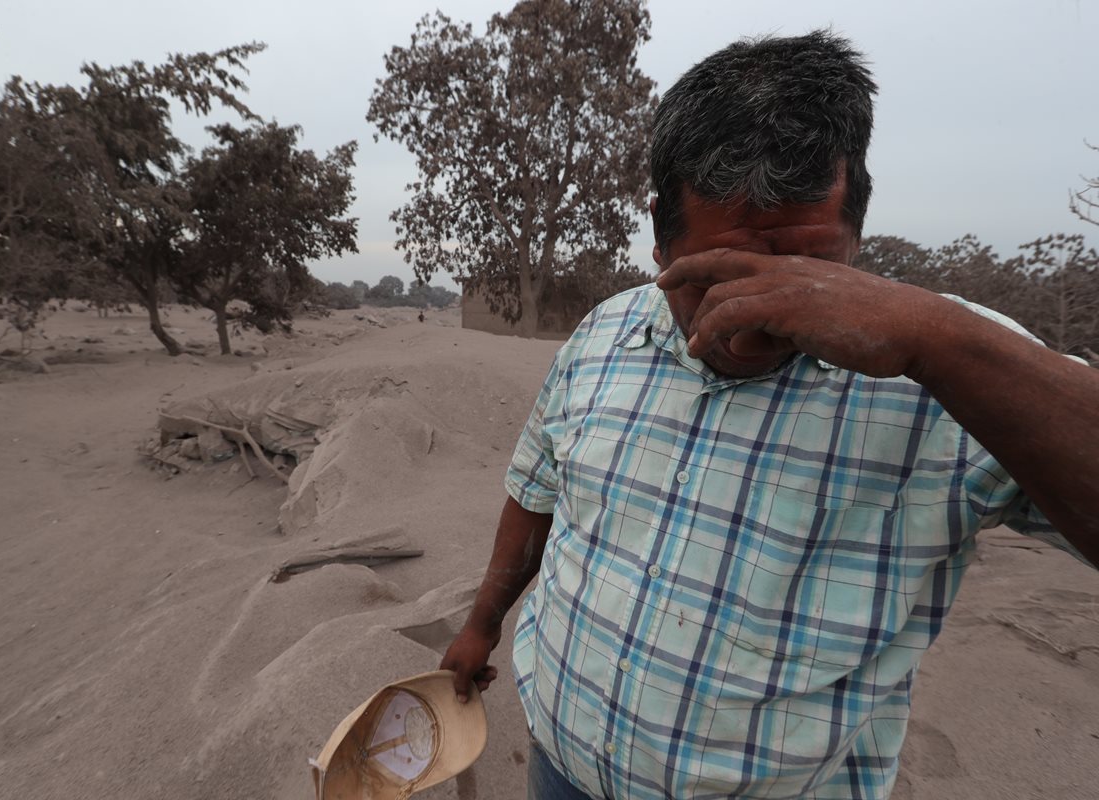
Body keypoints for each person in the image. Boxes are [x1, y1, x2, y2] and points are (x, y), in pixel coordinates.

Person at [439, 30, 1099, 800]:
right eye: (718, 281)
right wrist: (484, 623)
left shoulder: (960, 368)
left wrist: (934, 343)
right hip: (561, 763)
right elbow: (537, 486)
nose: (753, 323)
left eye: (805, 275)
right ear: (659, 235)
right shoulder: (604, 332)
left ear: (857, 230)